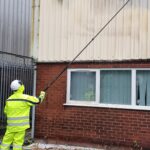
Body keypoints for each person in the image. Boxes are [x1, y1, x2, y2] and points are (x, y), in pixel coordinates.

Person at [0, 79, 45, 150]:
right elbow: (38, 101)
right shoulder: (25, 98)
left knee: (5, 142)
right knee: (17, 144)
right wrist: (42, 95)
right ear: (21, 87)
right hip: (20, 127)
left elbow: (6, 111)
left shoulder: (9, 99)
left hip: (10, 127)